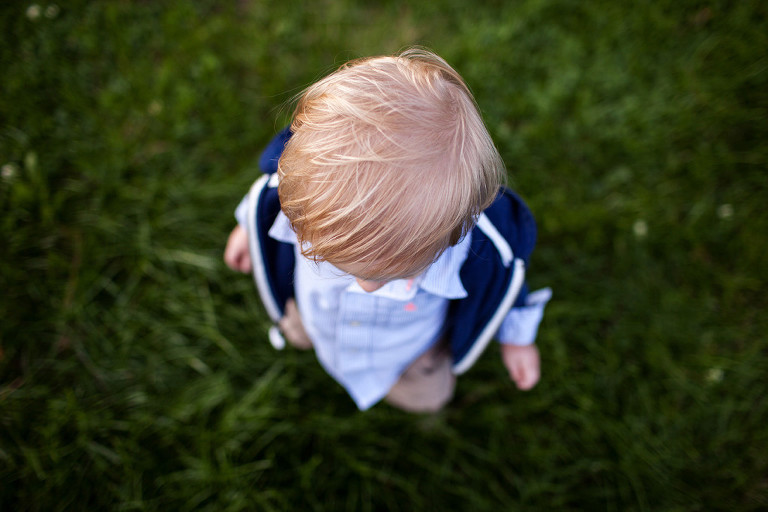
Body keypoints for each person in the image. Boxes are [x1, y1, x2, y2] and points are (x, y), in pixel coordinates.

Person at [224, 48, 551, 413]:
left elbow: (506, 281)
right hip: (318, 315)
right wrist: (247, 228)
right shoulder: (306, 192)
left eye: (391, 274)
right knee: (302, 333)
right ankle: (312, 341)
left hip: (411, 354)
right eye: (335, 261)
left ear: (457, 229)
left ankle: (420, 405)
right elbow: (265, 198)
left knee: (428, 397)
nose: (366, 285)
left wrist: (517, 340)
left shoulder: (482, 247)